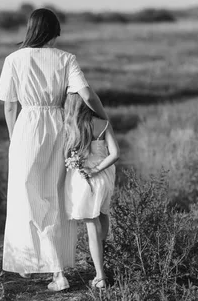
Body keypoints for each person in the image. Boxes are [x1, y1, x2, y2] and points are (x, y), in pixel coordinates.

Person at [0, 8, 109, 291]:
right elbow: (86, 93)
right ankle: (51, 266)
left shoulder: (13, 59)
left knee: (27, 196)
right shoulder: (66, 59)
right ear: (53, 32)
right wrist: (103, 117)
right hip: (60, 127)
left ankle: (44, 266)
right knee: (57, 197)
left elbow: (9, 105)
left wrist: (13, 137)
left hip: (27, 127)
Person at [63, 93, 119, 289]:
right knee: (103, 216)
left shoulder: (72, 128)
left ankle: (100, 276)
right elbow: (115, 154)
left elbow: (66, 154)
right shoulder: (103, 123)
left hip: (85, 180)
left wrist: (89, 170)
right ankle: (102, 262)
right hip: (104, 178)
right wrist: (97, 170)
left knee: (91, 223)